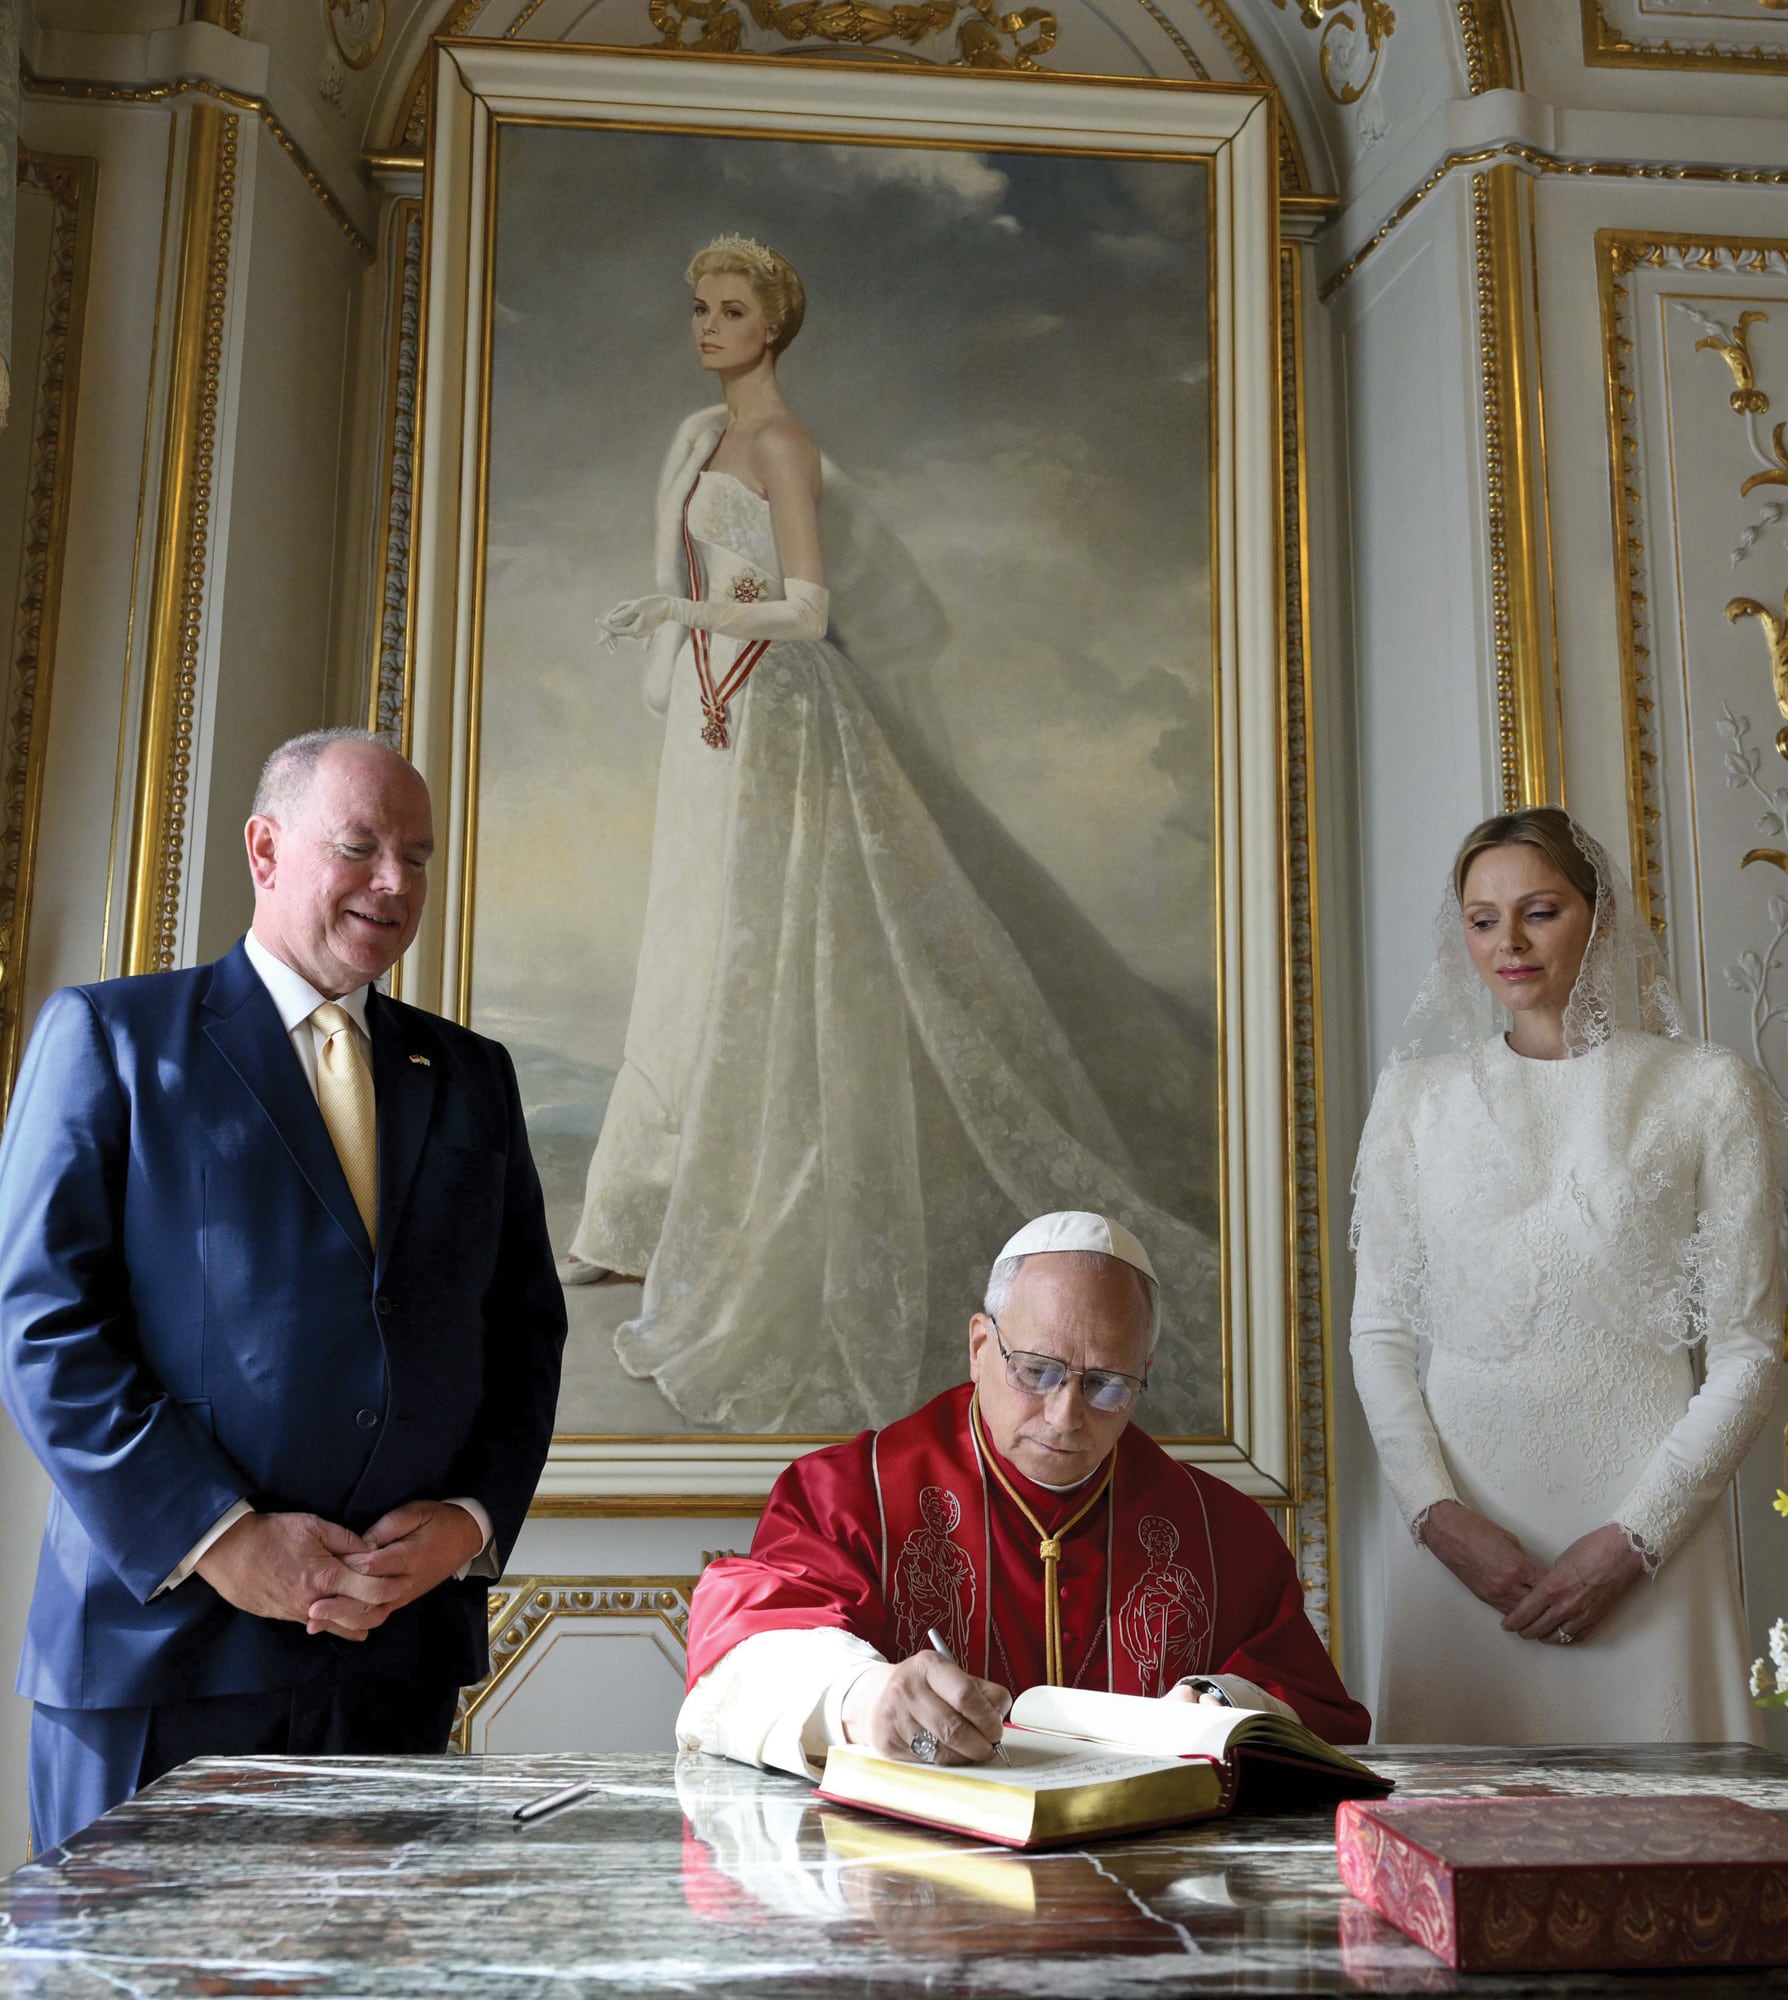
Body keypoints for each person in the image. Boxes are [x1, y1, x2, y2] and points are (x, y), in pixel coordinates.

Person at [561, 232, 1220, 1440]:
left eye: (729, 310)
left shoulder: (782, 445)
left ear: (774, 327)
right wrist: (682, 641)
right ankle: (642, 1215)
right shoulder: (696, 438)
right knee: (691, 950)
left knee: (770, 961)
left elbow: (808, 606)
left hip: (780, 718)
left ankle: (755, 1214)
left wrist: (684, 609)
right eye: (697, 306)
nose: (705, 326)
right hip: (711, 727)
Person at [0, 727, 568, 1853]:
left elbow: (525, 1331)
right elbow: (43, 1325)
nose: (395, 881)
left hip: (393, 1659)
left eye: (418, 853)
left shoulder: (471, 1075)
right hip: (164, 1654)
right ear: (264, 849)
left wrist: (467, 1521)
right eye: (359, 845)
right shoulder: (113, 1038)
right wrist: (220, 1536)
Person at [1350, 805, 1783, 1743]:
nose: (1507, 941)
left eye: (1539, 911)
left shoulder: (1708, 1090)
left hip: (1650, 1549)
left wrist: (1636, 1539)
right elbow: (1379, 1333)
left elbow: (1751, 1351)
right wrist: (1436, 1515)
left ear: (1601, 918)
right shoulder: (1414, 1100)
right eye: (1481, 919)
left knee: (1678, 1864)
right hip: (1458, 1551)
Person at [676, 1211, 1368, 1775]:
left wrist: (1222, 1704)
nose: (1066, 1416)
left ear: (1144, 1373)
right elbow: (748, 1640)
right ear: (980, 1345)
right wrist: (862, 1697)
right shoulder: (850, 1494)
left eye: (1107, 1384)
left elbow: (1313, 1706)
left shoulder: (1225, 1533)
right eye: (1036, 1371)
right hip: (911, 1895)